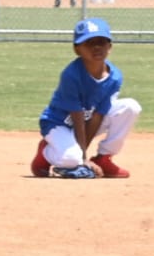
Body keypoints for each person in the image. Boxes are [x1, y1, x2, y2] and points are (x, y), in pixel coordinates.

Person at [27, 18, 141, 179]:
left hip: (87, 122)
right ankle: (45, 153)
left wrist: (84, 157)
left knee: (130, 107)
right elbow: (77, 116)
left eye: (101, 42)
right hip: (58, 124)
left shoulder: (114, 77)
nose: (96, 47)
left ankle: (103, 159)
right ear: (77, 49)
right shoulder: (71, 75)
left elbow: (98, 115)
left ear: (110, 46)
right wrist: (82, 158)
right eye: (89, 43)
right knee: (72, 160)